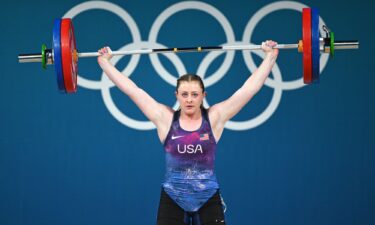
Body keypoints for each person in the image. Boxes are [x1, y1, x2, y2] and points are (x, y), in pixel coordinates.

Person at [97, 40, 279, 225]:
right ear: (176, 95)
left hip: (207, 198)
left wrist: (270, 57)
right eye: (184, 94)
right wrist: (105, 63)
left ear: (203, 96)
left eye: (194, 94)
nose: (189, 100)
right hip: (172, 199)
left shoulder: (215, 118)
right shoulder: (165, 118)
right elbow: (132, 90)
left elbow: (247, 90)